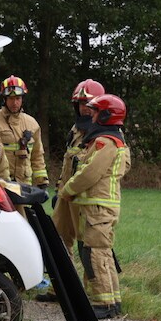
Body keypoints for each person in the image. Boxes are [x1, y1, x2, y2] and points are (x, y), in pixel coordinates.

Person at [58, 94, 131, 319]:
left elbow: (89, 173)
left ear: (108, 115)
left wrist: (66, 191)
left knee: (95, 254)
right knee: (102, 252)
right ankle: (113, 301)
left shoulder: (106, 143)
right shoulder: (109, 139)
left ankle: (104, 304)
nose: (92, 115)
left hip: (98, 207)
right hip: (98, 206)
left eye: (97, 111)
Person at [52, 79, 105, 256]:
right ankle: (67, 278)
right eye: (81, 103)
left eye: (89, 104)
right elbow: (68, 162)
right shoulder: (75, 130)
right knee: (58, 236)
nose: (84, 108)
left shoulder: (104, 133)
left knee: (87, 242)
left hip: (84, 197)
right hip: (66, 194)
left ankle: (91, 280)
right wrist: (59, 189)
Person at [0, 75, 48, 187]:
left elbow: (37, 155)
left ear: (22, 99)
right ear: (4, 99)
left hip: (24, 184)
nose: (14, 103)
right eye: (11, 99)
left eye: (18, 99)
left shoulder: (31, 123)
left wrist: (42, 181)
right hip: (0, 183)